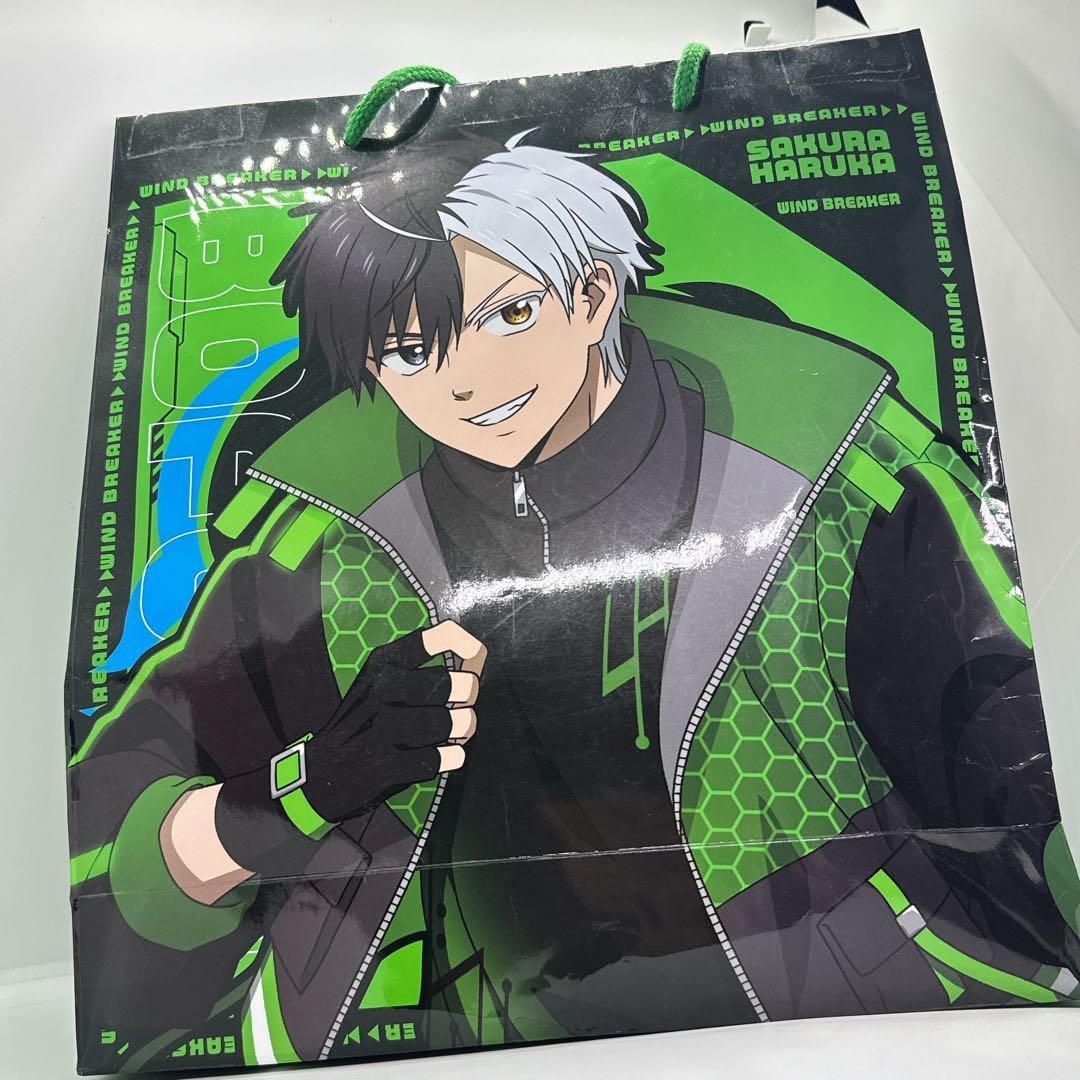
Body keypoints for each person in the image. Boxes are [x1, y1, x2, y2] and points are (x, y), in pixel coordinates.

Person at [70, 133, 1080, 1070]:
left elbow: (1015, 774)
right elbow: (106, 880)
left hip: (833, 1036)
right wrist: (304, 787)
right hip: (431, 1041)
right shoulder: (322, 542)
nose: (467, 383)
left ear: (594, 294)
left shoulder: (832, 473)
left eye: (509, 315)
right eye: (411, 352)